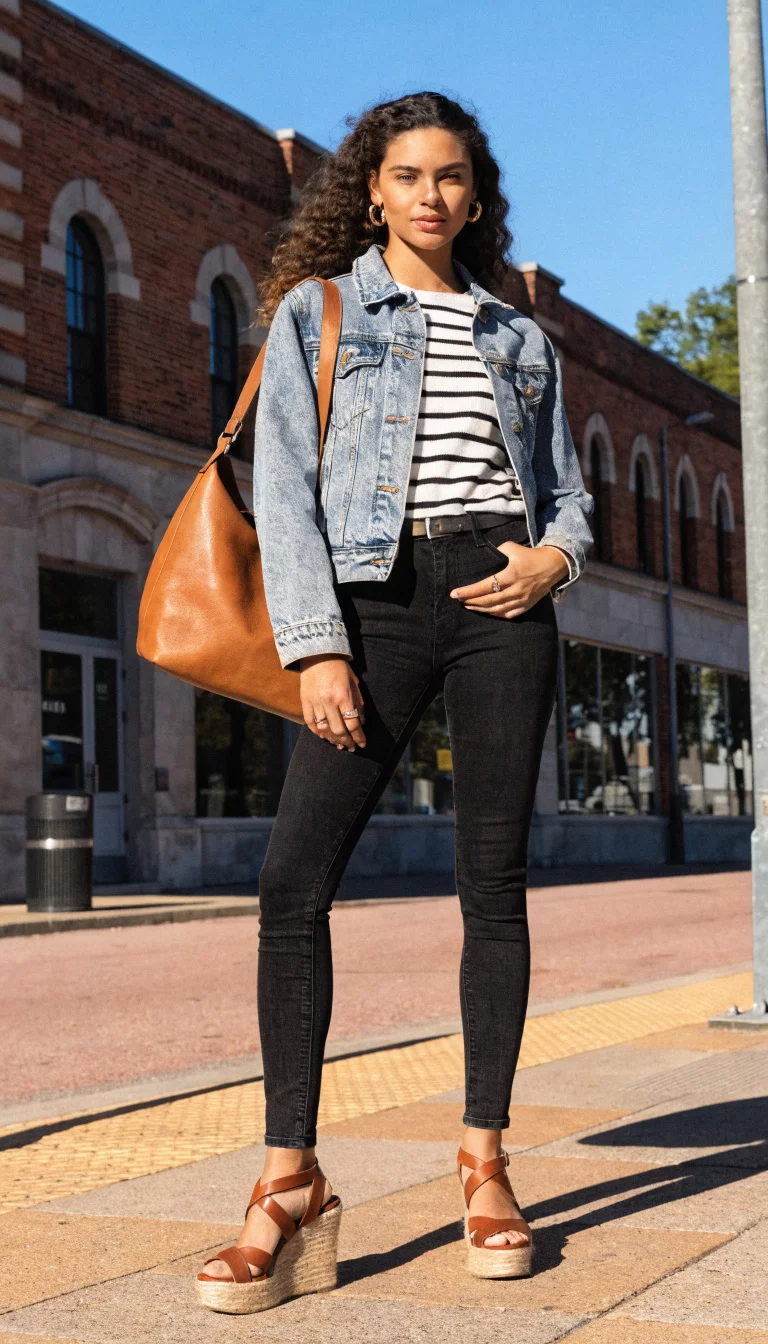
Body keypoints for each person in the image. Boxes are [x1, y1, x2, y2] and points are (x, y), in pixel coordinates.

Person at [197, 90, 593, 1315]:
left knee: (493, 885)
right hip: (372, 605)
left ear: (476, 197)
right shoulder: (319, 312)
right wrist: (317, 648)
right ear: (373, 190)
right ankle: (289, 1182)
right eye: (410, 174)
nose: (432, 194)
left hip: (503, 603)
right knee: (291, 882)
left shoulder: (521, 337)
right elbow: (285, 486)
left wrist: (555, 560)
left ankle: (485, 1161)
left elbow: (569, 494)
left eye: (452, 176)